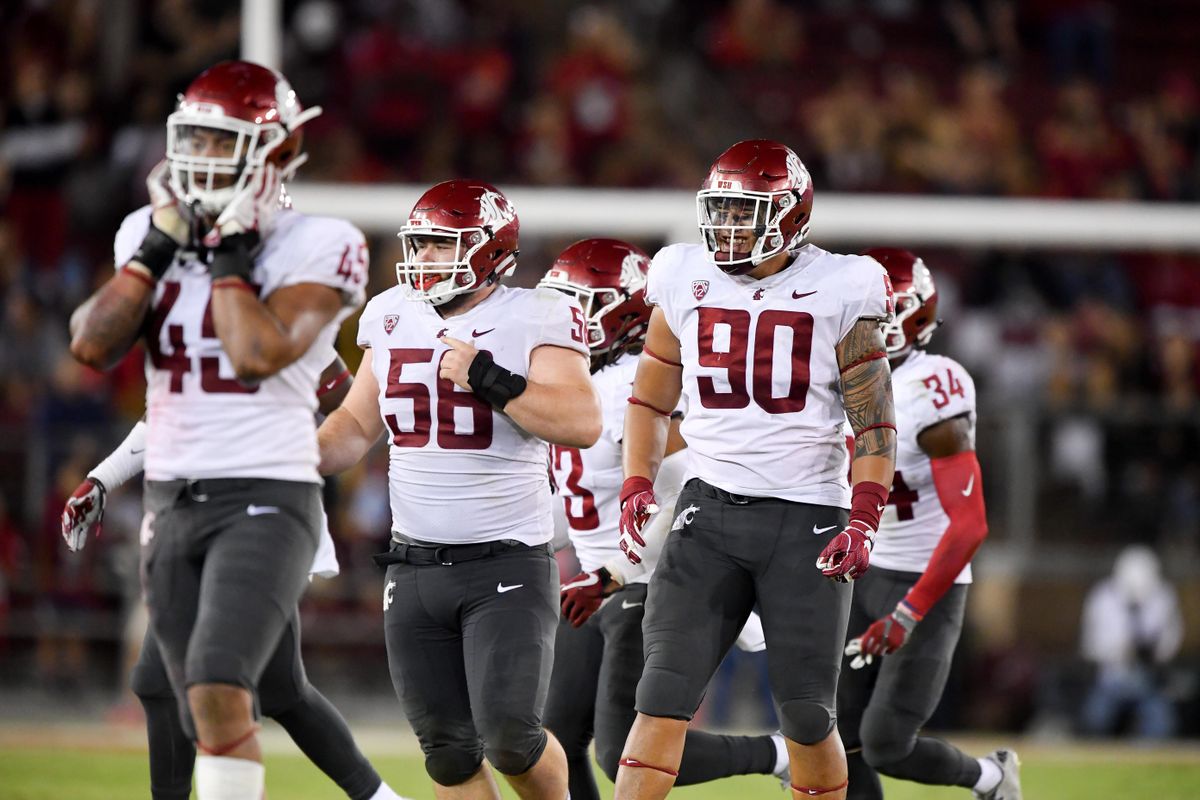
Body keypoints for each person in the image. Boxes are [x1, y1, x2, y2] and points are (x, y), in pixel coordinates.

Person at [68, 60, 367, 800]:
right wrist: (153, 253)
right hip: (173, 497)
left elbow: (255, 353)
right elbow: (92, 345)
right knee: (175, 689)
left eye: (218, 141)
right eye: (191, 139)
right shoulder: (144, 228)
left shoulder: (321, 241)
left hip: (267, 492)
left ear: (269, 151)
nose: (198, 159)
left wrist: (230, 258)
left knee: (217, 677)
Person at [615, 139, 897, 800]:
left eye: (745, 212)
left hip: (806, 520)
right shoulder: (683, 273)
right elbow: (650, 397)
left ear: (791, 214)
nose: (727, 227)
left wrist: (863, 519)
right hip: (706, 512)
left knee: (805, 713)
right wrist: (636, 478)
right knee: (660, 694)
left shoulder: (842, 285)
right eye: (722, 211)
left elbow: (876, 425)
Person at [315, 179, 601, 800]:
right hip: (414, 566)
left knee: (510, 738)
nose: (425, 260)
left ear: (490, 250)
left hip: (506, 562)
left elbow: (582, 422)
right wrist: (295, 455)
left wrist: (488, 378)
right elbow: (356, 425)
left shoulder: (538, 313)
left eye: (442, 247)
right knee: (447, 754)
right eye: (419, 246)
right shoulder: (390, 312)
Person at [61, 356, 408, 800]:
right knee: (277, 688)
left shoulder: (284, 305)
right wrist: (103, 479)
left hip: (264, 509)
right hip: (196, 511)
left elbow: (351, 410)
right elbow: (166, 413)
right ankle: (379, 797)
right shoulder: (185, 310)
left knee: (197, 678)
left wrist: (290, 449)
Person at [537, 238, 790, 800]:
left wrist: (613, 570)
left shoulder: (634, 383)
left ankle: (773, 752)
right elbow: (571, 499)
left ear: (622, 311)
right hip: (592, 580)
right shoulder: (579, 383)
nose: (558, 320)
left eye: (575, 305)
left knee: (620, 747)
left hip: (647, 579)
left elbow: (689, 489)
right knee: (551, 737)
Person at [834, 248, 1021, 800]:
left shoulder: (931, 386)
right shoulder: (835, 379)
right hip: (857, 572)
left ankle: (990, 779)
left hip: (921, 582)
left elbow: (970, 526)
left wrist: (909, 611)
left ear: (909, 318)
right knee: (831, 732)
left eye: (874, 314)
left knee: (887, 741)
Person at [1080, 544, 1183, 739]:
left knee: (1162, 726)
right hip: (1111, 679)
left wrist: (1156, 652)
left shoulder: (1163, 597)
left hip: (1149, 681)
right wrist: (1120, 651)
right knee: (1094, 722)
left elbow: (1172, 639)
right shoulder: (1102, 598)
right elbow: (1090, 646)